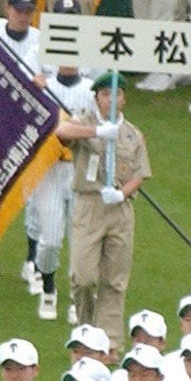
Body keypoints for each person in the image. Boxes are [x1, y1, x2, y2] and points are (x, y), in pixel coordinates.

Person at [58, 70, 150, 349]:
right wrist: (97, 132)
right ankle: (86, 330)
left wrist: (121, 193)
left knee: (114, 280)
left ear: (124, 99)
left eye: (116, 94)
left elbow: (139, 174)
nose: (110, 99)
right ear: (97, 98)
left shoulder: (132, 135)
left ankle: (109, 343)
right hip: (89, 206)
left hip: (119, 210)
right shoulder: (84, 122)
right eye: (105, 94)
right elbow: (62, 132)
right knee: (83, 277)